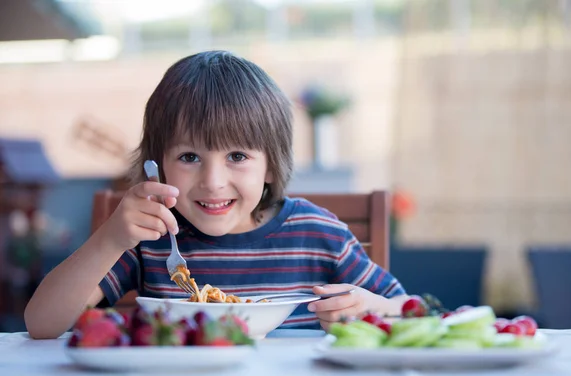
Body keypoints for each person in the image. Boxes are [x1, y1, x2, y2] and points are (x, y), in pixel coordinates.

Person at [25, 51, 407, 339]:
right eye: (189, 157)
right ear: (158, 165)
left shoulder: (319, 234)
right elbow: (42, 326)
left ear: (271, 166)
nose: (212, 180)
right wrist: (109, 240)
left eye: (237, 156)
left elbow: (411, 311)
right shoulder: (151, 238)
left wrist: (372, 308)